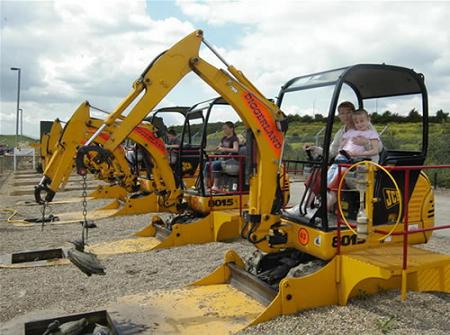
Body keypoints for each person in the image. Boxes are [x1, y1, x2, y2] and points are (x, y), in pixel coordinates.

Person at [326, 108, 381, 211]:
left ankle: (328, 204)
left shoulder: (371, 133)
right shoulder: (350, 132)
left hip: (360, 164)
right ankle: (318, 203)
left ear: (368, 119)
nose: (359, 124)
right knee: (325, 176)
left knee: (340, 175)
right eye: (357, 122)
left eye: (362, 121)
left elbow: (376, 150)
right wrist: (341, 146)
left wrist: (361, 149)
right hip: (342, 160)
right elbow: (339, 146)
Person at [204, 121, 239, 191]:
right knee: (207, 164)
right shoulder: (223, 138)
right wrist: (206, 150)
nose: (224, 130)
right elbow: (218, 148)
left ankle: (215, 186)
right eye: (223, 129)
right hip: (224, 159)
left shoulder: (234, 138)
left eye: (225, 128)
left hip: (232, 160)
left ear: (231, 129)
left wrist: (224, 149)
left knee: (215, 164)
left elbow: (236, 149)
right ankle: (205, 185)